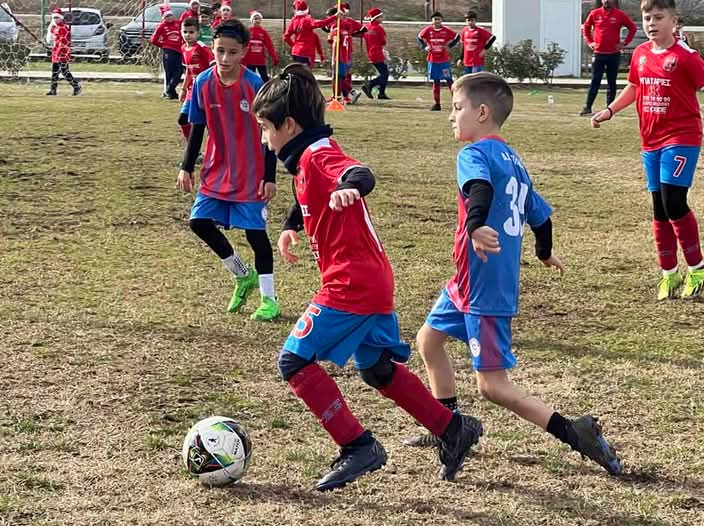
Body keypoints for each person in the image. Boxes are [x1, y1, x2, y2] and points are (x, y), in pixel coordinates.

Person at [252, 63, 484, 492]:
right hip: (370, 277)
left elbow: (358, 173)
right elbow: (314, 189)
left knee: (294, 360)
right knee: (377, 368)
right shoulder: (307, 158)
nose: (265, 139)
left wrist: (353, 187)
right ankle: (452, 428)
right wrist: (291, 225)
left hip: (351, 284)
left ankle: (359, 446)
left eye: (266, 128)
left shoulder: (319, 154)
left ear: (288, 124)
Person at [404, 72, 623, 477]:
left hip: (483, 285)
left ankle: (576, 433)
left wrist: (474, 226)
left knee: (493, 387)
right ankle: (446, 426)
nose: (451, 118)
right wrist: (544, 253)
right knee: (428, 340)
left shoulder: (475, 154)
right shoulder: (515, 161)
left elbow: (478, 191)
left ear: (482, 113)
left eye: (457, 109)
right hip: (467, 281)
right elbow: (540, 216)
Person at [592, 0, 704, 299]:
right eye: (647, 17)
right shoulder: (640, 54)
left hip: (682, 138)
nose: (651, 23)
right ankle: (669, 274)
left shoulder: (685, 56)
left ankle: (698, 268)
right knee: (659, 208)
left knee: (674, 201)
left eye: (658, 17)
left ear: (673, 21)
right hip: (651, 140)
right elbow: (635, 87)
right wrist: (610, 110)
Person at [177, 20, 280, 320]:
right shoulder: (203, 83)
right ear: (212, 48)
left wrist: (269, 176)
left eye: (232, 53)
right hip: (216, 169)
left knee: (255, 235)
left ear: (244, 52)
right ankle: (241, 273)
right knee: (198, 222)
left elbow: (269, 131)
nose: (224, 59)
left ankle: (269, 299)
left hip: (251, 174)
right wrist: (186, 167)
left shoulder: (254, 85)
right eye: (220, 51)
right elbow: (197, 127)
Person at [580, 0, 637, 116]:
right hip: (598, 54)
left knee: (612, 82)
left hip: (613, 54)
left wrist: (624, 43)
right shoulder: (594, 13)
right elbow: (586, 28)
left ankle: (610, 109)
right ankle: (587, 107)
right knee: (595, 81)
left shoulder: (619, 15)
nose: (606, 1)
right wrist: (590, 42)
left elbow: (632, 28)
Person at [179, 17, 214, 143]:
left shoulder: (202, 48)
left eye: (191, 32)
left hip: (205, 90)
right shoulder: (183, 48)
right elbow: (189, 70)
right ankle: (193, 150)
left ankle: (216, 149)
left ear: (198, 33)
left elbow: (214, 66)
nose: (188, 35)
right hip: (191, 91)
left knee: (210, 124)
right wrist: (183, 89)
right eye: (185, 32)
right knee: (183, 119)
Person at [417, 11, 459, 111]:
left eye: (438, 19)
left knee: (449, 80)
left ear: (441, 20)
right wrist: (425, 46)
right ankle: (437, 104)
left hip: (444, 60)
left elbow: (457, 37)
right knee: (436, 82)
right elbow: (419, 37)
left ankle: (457, 102)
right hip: (433, 60)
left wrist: (450, 45)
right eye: (435, 19)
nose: (437, 21)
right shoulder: (428, 30)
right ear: (432, 21)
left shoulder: (446, 30)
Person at [326, 3, 364, 104]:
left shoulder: (336, 27)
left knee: (338, 77)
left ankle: (342, 96)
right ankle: (340, 96)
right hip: (345, 54)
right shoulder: (345, 28)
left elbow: (333, 42)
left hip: (340, 55)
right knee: (341, 77)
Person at [283, 0, 334, 66]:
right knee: (306, 73)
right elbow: (319, 24)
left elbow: (285, 37)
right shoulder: (307, 20)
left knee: (298, 72)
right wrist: (334, 17)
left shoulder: (294, 21)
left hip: (296, 52)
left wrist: (294, 45)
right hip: (306, 52)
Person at [150, 6, 184, 100]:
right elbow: (153, 40)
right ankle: (171, 92)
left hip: (180, 51)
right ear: (164, 18)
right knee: (169, 72)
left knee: (179, 71)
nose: (170, 17)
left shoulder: (178, 24)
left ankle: (169, 90)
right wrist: (164, 45)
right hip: (169, 51)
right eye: (167, 16)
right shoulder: (162, 26)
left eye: (171, 15)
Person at [46, 8, 81, 96]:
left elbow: (63, 43)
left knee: (65, 72)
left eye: (57, 17)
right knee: (54, 72)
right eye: (54, 18)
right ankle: (53, 90)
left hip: (62, 54)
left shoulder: (63, 28)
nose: (55, 19)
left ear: (61, 18)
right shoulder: (55, 28)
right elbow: (51, 39)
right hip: (56, 53)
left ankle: (76, 86)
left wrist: (59, 52)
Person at [360, 7, 391, 100]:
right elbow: (383, 42)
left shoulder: (367, 27)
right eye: (381, 17)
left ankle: (381, 94)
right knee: (385, 74)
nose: (382, 18)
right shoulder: (379, 28)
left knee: (384, 73)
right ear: (376, 18)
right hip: (378, 53)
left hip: (370, 53)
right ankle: (369, 85)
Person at [241, 10, 278, 83]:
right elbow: (242, 44)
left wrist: (274, 57)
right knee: (249, 78)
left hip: (260, 59)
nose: (257, 20)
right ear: (252, 20)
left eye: (259, 19)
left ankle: (265, 91)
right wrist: (241, 57)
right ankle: (250, 92)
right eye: (255, 19)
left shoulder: (263, 32)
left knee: (264, 77)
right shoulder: (248, 31)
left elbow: (269, 45)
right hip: (249, 59)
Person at [457, 10, 495, 74]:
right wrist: (461, 58)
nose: (470, 22)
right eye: (468, 20)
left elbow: (493, 38)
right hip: (467, 61)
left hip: (477, 61)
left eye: (472, 20)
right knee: (468, 80)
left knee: (477, 81)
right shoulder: (464, 31)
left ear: (475, 20)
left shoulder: (480, 30)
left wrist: (485, 50)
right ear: (466, 21)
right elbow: (464, 46)